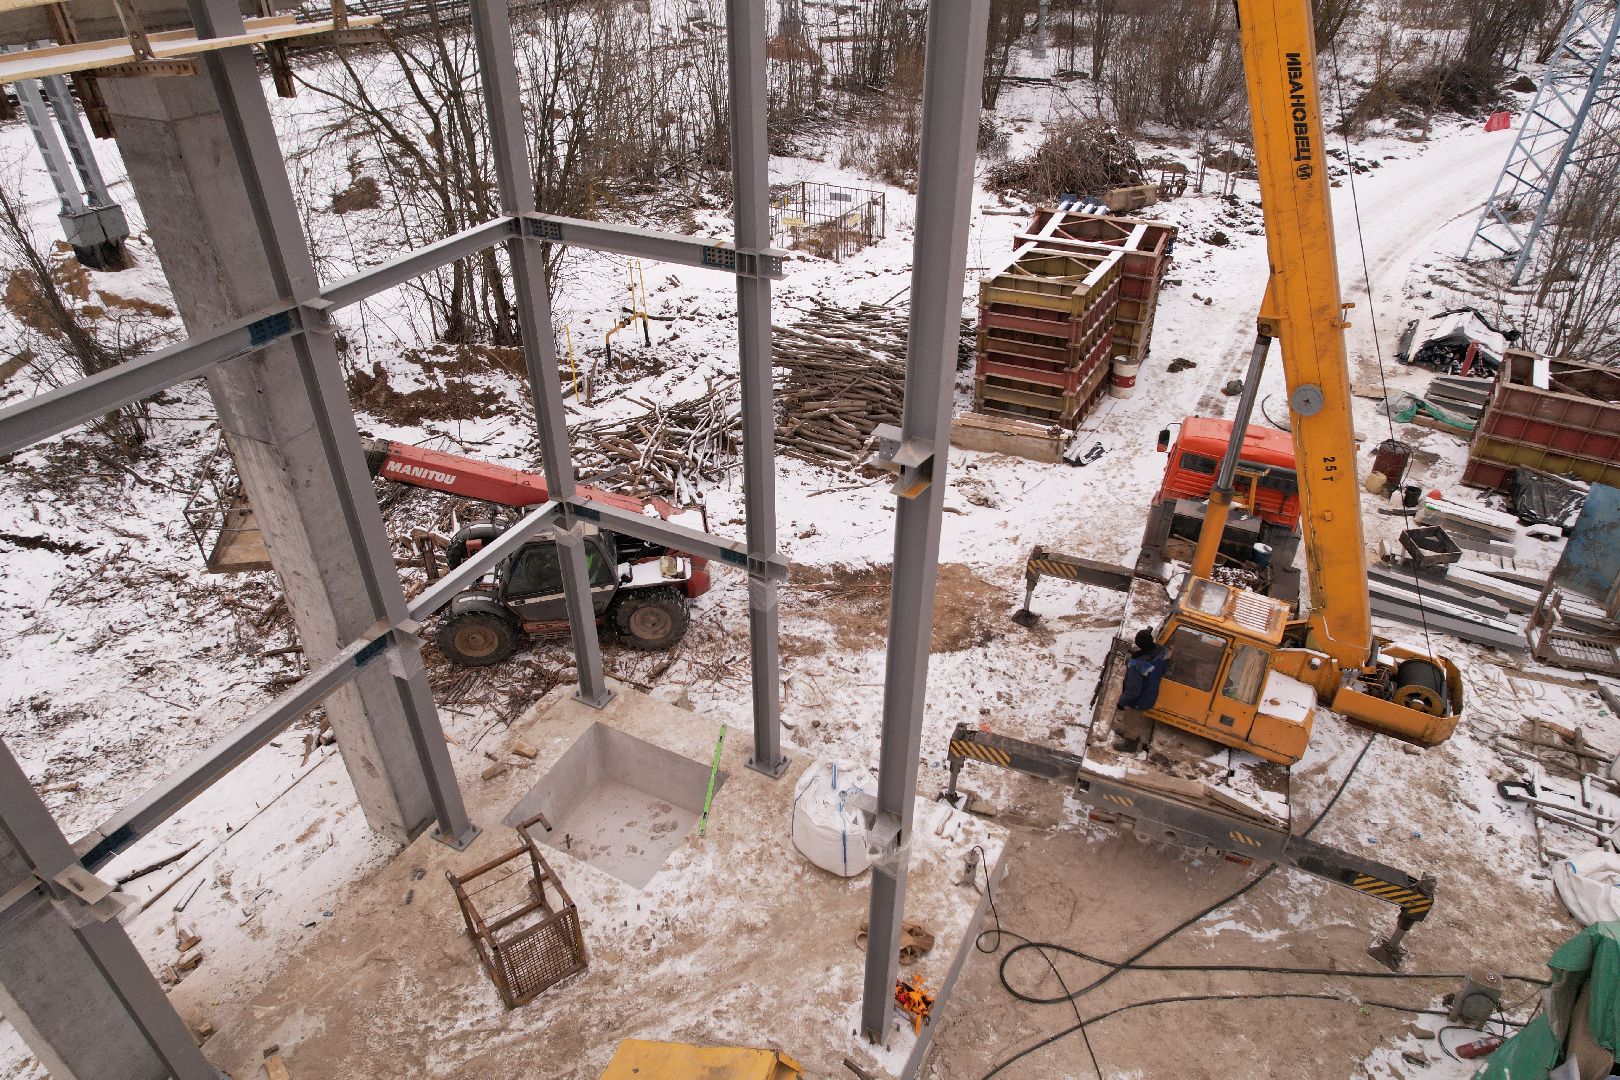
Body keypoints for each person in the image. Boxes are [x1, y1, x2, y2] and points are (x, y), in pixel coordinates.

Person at [1113, 628, 1169, 752]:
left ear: (1139, 644)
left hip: (1140, 698)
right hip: (1150, 692)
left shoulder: (1137, 665)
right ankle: (1129, 732)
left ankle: (1130, 742)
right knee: (1135, 717)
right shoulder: (1159, 652)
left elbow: (1133, 690)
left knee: (1132, 717)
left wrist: (1122, 702)